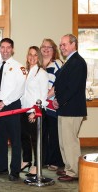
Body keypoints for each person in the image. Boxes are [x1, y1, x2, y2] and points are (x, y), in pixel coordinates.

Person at [0, 38, 26, 181]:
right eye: (2, 47)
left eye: (8, 47)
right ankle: (1, 167)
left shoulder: (19, 67)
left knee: (15, 140)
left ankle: (15, 170)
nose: (5, 50)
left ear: (12, 49)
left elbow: (20, 89)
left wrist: (5, 101)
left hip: (12, 107)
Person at [53, 34, 87, 182]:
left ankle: (74, 172)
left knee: (70, 142)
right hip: (65, 108)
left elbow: (72, 87)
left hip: (72, 109)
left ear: (74, 44)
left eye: (65, 44)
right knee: (64, 141)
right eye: (61, 45)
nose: (62, 47)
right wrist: (57, 99)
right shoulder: (69, 61)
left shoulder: (77, 62)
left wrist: (58, 100)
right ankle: (68, 168)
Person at [20, 46, 49, 177]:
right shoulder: (24, 72)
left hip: (35, 111)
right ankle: (26, 160)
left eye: (35, 55)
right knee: (24, 137)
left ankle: (37, 164)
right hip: (23, 110)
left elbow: (43, 96)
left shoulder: (42, 73)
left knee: (36, 140)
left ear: (39, 57)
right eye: (30, 54)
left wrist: (35, 112)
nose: (32, 57)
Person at [40, 38, 64, 171]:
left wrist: (47, 96)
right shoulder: (38, 64)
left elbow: (60, 82)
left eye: (49, 47)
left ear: (54, 50)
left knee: (53, 134)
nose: (46, 49)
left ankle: (56, 161)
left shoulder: (57, 63)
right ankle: (44, 159)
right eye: (43, 46)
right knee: (43, 133)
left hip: (51, 104)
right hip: (41, 105)